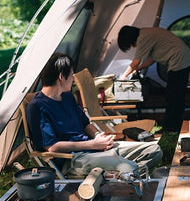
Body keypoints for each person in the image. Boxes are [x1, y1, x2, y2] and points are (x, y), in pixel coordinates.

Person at [26, 52, 163, 177]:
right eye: (72, 74)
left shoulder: (67, 97)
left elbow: (85, 123)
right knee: (127, 166)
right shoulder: (37, 108)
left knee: (154, 149)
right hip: (73, 159)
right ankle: (124, 174)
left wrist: (98, 136)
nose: (73, 78)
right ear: (61, 77)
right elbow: (52, 147)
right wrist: (92, 144)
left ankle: (121, 175)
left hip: (94, 149)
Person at [117, 25, 190, 133]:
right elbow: (152, 58)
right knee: (175, 97)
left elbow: (135, 62)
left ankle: (171, 129)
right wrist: (139, 68)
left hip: (179, 61)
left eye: (130, 45)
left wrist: (123, 77)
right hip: (182, 59)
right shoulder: (147, 33)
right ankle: (171, 127)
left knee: (174, 97)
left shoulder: (143, 38)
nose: (133, 46)